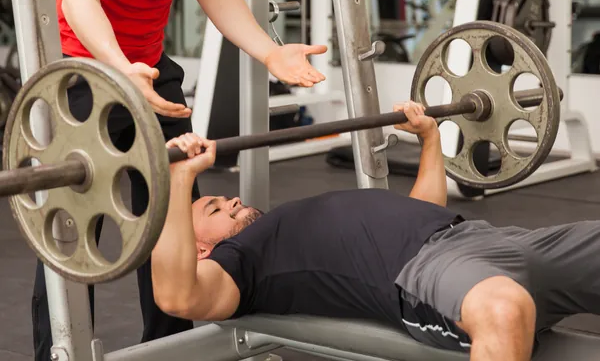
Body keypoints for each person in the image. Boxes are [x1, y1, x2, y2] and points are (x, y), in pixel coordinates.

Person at [34, 0, 328, 361]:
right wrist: (120, 68)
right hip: (84, 75)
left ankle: (172, 349)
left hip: (149, 67)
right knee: (73, 230)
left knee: (173, 212)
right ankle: (58, 354)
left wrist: (270, 52)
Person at [152, 101, 600, 361]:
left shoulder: (283, 223)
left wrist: (429, 139)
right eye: (214, 208)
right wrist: (179, 179)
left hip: (483, 238)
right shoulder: (241, 264)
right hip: (426, 274)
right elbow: (176, 297)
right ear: (200, 250)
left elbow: (422, 213)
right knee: (503, 308)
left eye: (223, 198)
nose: (231, 200)